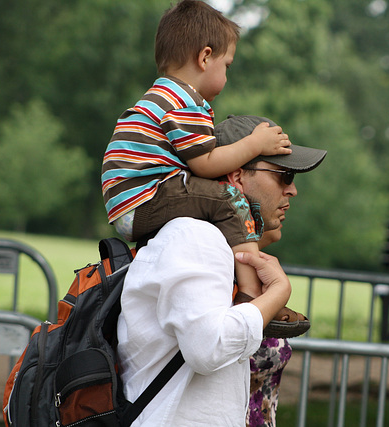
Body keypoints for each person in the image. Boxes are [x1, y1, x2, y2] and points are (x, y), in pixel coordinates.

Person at [100, 0, 304, 335]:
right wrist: (255, 144)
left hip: (132, 202)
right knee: (229, 200)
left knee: (220, 204)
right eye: (227, 65)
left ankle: (246, 289)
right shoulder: (186, 101)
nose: (226, 74)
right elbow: (206, 164)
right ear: (205, 57)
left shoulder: (158, 95)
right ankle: (252, 296)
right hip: (149, 196)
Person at [116, 114, 326, 426]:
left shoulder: (210, 241)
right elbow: (208, 349)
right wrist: (279, 292)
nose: (292, 190)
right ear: (238, 177)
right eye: (285, 176)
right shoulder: (197, 237)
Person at [247, 226, 294, 427]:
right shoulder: (217, 272)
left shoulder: (260, 271)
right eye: (278, 190)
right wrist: (280, 289)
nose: (292, 192)